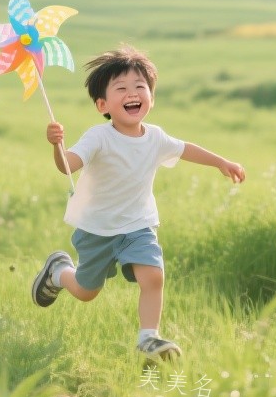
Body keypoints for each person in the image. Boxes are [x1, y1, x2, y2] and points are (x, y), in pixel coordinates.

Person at [31, 45, 246, 360]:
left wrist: (221, 162)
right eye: (121, 88)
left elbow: (185, 148)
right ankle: (59, 271)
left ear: (151, 97)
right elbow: (68, 166)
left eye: (139, 86)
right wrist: (57, 146)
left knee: (153, 275)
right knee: (86, 291)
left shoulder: (155, 137)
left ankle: (148, 338)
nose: (132, 93)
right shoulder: (98, 137)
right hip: (97, 227)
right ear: (102, 104)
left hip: (138, 224)